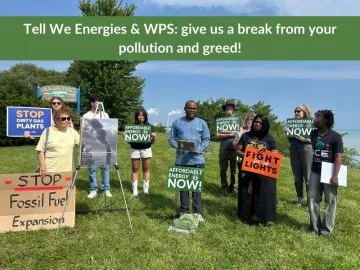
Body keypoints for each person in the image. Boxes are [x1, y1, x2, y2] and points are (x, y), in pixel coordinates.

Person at [168, 100, 210, 222]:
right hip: (181, 161)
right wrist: (176, 145)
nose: (192, 110)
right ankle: (184, 211)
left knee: (196, 188)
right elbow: (171, 138)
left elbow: (207, 139)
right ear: (185, 108)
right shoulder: (177, 123)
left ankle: (197, 212)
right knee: (183, 188)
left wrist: (200, 148)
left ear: (196, 110)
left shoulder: (202, 123)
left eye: (194, 108)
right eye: (190, 108)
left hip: (197, 160)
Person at [236, 114, 279, 225]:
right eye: (256, 121)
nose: (257, 124)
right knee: (248, 192)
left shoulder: (269, 138)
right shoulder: (246, 136)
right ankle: (248, 217)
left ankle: (261, 218)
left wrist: (266, 152)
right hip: (247, 169)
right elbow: (238, 151)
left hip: (263, 172)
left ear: (264, 125)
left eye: (260, 123)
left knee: (261, 193)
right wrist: (248, 155)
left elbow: (275, 153)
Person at [308, 110, 343, 236]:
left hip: (329, 172)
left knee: (330, 201)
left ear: (325, 121)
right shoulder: (313, 133)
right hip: (315, 171)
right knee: (312, 199)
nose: (314, 119)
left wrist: (335, 175)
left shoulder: (335, 137)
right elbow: (313, 147)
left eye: (317, 117)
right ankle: (314, 227)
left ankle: (326, 230)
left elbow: (338, 157)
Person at [83, 94, 112, 199]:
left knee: (105, 167)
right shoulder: (87, 116)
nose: (98, 103)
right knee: (92, 168)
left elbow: (108, 129)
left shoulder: (105, 115)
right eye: (96, 101)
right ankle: (93, 189)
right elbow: (84, 131)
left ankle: (106, 188)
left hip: (103, 144)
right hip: (91, 145)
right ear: (92, 103)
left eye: (100, 101)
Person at [284, 105, 313, 207]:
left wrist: (293, 133)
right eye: (295, 111)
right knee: (297, 176)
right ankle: (300, 199)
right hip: (294, 150)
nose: (296, 113)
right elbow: (291, 140)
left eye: (298, 111)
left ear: (305, 112)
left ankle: (310, 202)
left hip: (306, 150)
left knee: (308, 177)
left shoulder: (310, 124)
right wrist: (287, 133)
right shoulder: (292, 124)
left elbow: (308, 140)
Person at [36, 108, 79, 177]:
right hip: (50, 170)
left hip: (68, 172)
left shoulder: (72, 132)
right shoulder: (47, 131)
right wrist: (43, 167)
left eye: (68, 118)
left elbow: (83, 145)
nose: (67, 120)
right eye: (63, 119)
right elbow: (40, 150)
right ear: (56, 120)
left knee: (67, 188)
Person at [123, 108, 156, 196]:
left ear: (145, 116)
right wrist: (125, 137)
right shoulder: (132, 127)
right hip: (135, 149)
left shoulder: (149, 127)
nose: (141, 117)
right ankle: (135, 190)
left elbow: (152, 142)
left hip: (146, 149)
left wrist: (154, 137)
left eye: (142, 115)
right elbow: (130, 141)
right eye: (139, 115)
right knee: (135, 169)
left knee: (146, 169)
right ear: (137, 117)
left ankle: (146, 189)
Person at [216, 100, 241, 194]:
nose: (229, 108)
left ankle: (233, 187)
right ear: (225, 109)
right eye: (227, 107)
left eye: (231, 107)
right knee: (223, 168)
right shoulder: (221, 120)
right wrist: (231, 133)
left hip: (235, 147)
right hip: (223, 147)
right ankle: (224, 186)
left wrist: (227, 133)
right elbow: (218, 135)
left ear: (234, 109)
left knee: (234, 169)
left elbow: (240, 133)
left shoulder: (238, 120)